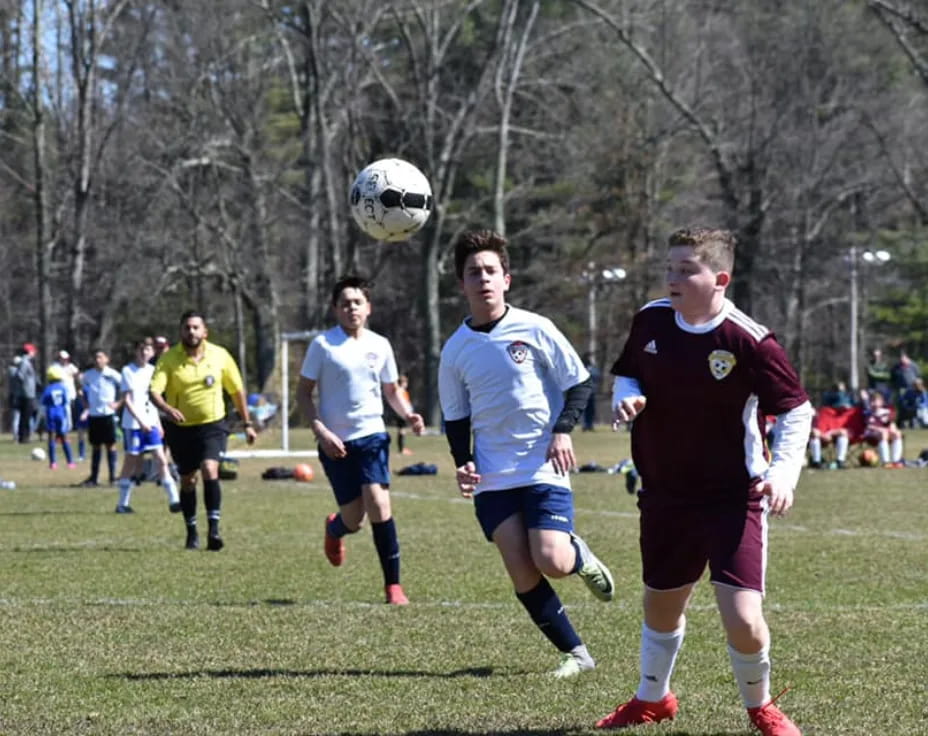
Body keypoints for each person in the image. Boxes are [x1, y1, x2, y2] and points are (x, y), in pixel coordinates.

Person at [599, 226, 812, 735]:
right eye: (670, 268)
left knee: (741, 618)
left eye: (685, 270)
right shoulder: (650, 320)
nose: (672, 278)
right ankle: (653, 698)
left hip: (732, 497)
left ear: (719, 278)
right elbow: (627, 373)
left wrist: (784, 473)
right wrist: (625, 397)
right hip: (666, 492)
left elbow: (797, 411)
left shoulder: (749, 340)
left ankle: (761, 708)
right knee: (661, 604)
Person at [438, 229, 615, 678]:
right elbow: (456, 418)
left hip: (542, 464)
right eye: (473, 273)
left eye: (490, 271)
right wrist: (464, 463)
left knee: (552, 560)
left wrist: (562, 431)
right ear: (462, 284)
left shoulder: (536, 328)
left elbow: (579, 382)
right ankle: (577, 654)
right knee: (521, 569)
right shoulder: (455, 350)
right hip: (494, 476)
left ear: (507, 279)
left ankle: (579, 554)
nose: (483, 280)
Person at [297, 276, 424, 605]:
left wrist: (408, 414)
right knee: (353, 518)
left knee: (379, 504)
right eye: (345, 302)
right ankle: (335, 528)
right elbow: (303, 394)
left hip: (372, 436)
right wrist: (321, 431)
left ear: (368, 308)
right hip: (334, 443)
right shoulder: (322, 346)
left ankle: (393, 587)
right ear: (335, 309)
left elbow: (392, 391)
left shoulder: (379, 345)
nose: (351, 307)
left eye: (357, 302)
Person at [149, 311, 256, 550]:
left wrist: (247, 424)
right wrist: (167, 408)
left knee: (209, 468)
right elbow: (154, 391)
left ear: (204, 332)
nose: (191, 332)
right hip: (180, 429)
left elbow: (236, 391)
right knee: (188, 479)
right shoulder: (169, 359)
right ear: (181, 332)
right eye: (187, 327)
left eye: (196, 327)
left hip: (213, 424)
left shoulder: (220, 356)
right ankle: (191, 531)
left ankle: (214, 531)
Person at [114, 338, 181, 514]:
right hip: (134, 425)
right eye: (141, 349)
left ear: (152, 353)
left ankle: (175, 500)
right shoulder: (128, 371)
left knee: (161, 458)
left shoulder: (154, 371)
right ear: (136, 351)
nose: (144, 352)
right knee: (131, 461)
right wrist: (141, 421)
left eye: (148, 349)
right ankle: (122, 503)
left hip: (151, 423)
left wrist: (157, 422)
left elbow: (153, 401)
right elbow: (127, 400)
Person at [78, 349, 122, 487]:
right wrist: (84, 403)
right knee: (96, 446)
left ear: (107, 359)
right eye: (96, 357)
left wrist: (118, 403)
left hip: (108, 413)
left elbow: (126, 389)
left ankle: (113, 477)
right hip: (94, 414)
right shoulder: (89, 375)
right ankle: (94, 478)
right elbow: (80, 387)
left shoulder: (113, 374)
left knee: (111, 445)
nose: (98, 360)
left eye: (101, 357)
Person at [39, 366, 76, 470]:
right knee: (64, 438)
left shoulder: (48, 389)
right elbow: (66, 404)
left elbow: (43, 405)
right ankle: (70, 462)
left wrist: (40, 419)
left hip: (51, 415)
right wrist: (69, 420)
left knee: (51, 438)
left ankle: (53, 463)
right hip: (61, 415)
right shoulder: (63, 388)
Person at [862, 391, 904, 468]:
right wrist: (880, 429)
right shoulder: (868, 412)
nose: (873, 403)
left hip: (886, 432)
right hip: (871, 433)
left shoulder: (886, 412)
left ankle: (896, 461)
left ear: (881, 402)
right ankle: (886, 462)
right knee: (883, 433)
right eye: (871, 401)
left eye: (875, 401)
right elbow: (869, 426)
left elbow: (891, 424)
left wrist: (893, 429)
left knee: (897, 433)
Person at [12, 344, 38, 444]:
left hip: (29, 394)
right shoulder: (25, 362)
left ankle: (25, 436)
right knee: (25, 417)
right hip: (26, 395)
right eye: (33, 351)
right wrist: (25, 387)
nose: (34, 353)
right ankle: (23, 437)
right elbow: (19, 375)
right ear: (29, 352)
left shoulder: (27, 362)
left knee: (26, 416)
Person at [890, 349, 921, 428]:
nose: (902, 360)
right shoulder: (896, 367)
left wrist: (918, 388)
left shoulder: (914, 365)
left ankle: (913, 422)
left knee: (913, 406)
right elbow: (892, 378)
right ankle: (901, 423)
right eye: (900, 359)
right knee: (901, 406)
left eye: (903, 358)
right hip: (901, 390)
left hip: (912, 389)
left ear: (907, 358)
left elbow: (918, 377)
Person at [393, 374, 415, 455]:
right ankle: (401, 449)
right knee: (402, 430)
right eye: (406, 382)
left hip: (398, 412)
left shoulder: (398, 391)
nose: (407, 384)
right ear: (403, 383)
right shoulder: (402, 391)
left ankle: (401, 448)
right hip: (402, 413)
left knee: (401, 430)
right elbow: (405, 403)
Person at [581, 352, 601, 431]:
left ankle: (590, 424)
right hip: (583, 391)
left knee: (591, 410)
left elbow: (597, 376)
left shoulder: (593, 368)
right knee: (584, 409)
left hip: (591, 392)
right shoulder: (582, 368)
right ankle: (585, 425)